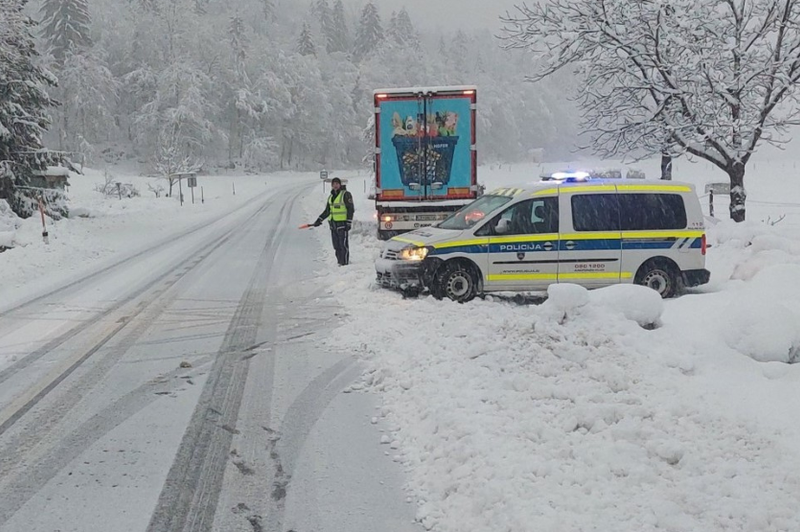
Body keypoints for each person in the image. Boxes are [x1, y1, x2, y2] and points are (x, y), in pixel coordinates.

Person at [314, 177, 355, 266]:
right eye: (333, 184)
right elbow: (327, 211)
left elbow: (350, 209)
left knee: (343, 245)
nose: (335, 186)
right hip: (333, 225)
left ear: (340, 185)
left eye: (337, 184)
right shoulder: (331, 197)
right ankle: (339, 262)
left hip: (342, 224)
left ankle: (345, 263)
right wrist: (319, 219)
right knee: (336, 245)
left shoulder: (346, 194)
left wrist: (348, 222)